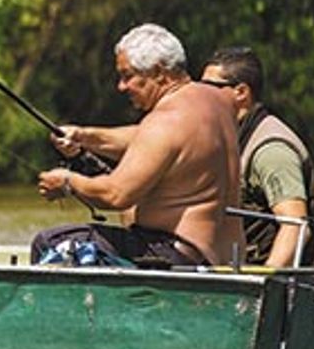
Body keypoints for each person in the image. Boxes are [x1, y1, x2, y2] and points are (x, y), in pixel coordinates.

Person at [30, 23, 244, 267]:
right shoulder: (215, 102)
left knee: (49, 242)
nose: (121, 87)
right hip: (222, 258)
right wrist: (85, 136)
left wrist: (67, 181)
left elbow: (116, 194)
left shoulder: (165, 121)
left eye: (127, 76)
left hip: (173, 257)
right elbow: (151, 140)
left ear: (159, 73)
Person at [201, 47, 314, 267]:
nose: (200, 96)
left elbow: (296, 225)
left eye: (208, 88)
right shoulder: (232, 134)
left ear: (241, 92)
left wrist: (261, 282)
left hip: (263, 288)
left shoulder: (271, 150)